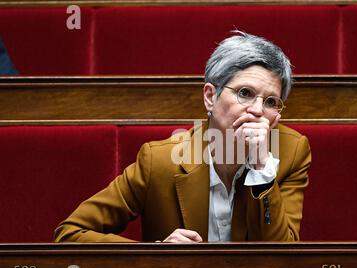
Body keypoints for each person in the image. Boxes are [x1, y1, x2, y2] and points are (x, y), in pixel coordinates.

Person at [54, 31, 312, 243]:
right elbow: (70, 234)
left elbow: (282, 259)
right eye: (244, 93)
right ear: (210, 97)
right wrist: (156, 257)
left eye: (270, 101)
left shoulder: (290, 152)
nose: (257, 110)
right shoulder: (159, 160)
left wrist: (262, 169)